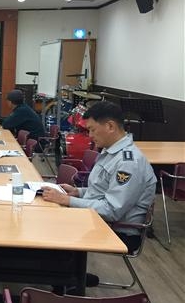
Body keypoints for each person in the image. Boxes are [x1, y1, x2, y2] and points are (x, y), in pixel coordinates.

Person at [42, 101, 156, 289]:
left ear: (110, 126)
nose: (90, 136)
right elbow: (102, 192)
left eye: (92, 130)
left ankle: (66, 279)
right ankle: (67, 273)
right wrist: (78, 192)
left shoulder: (129, 163)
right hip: (101, 220)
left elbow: (111, 210)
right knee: (50, 220)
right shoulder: (111, 152)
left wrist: (67, 200)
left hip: (118, 230)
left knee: (55, 226)